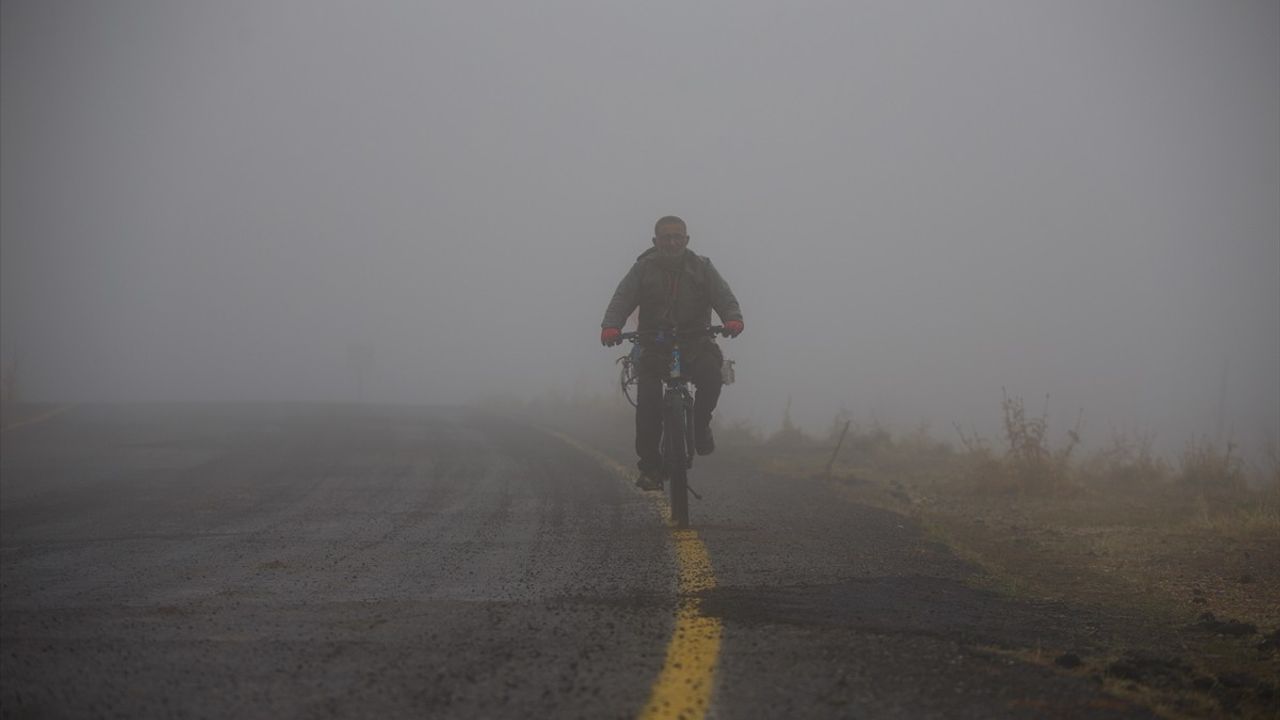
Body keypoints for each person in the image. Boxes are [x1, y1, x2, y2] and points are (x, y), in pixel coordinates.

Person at [600, 216, 744, 491]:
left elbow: (724, 296)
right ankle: (651, 468)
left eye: (678, 236)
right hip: (654, 345)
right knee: (648, 403)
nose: (672, 241)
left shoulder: (702, 267)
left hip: (695, 343)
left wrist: (733, 318)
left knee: (711, 378)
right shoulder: (642, 269)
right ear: (655, 241)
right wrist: (611, 326)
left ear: (687, 240)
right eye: (666, 237)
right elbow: (622, 299)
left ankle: (700, 426)